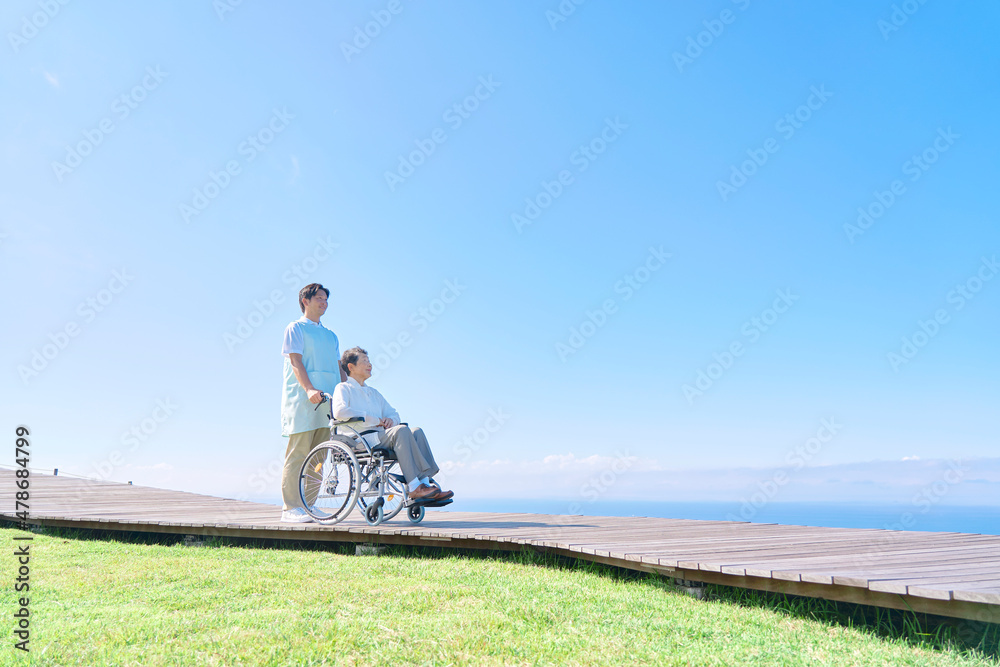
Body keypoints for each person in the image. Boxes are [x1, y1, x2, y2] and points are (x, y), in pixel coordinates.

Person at [331, 347, 453, 502]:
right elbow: (340, 412)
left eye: (369, 361)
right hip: (359, 440)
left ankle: (425, 484)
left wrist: (391, 420)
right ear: (351, 366)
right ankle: (414, 486)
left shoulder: (373, 393)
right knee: (401, 431)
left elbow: (393, 413)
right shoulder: (343, 388)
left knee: (416, 431)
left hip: (379, 436)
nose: (370, 365)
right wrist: (371, 419)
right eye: (364, 361)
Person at [279, 283, 346, 523]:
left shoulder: (331, 335)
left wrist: (345, 392)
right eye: (319, 298)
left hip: (328, 403)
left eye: (326, 299)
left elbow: (339, 368)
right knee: (298, 453)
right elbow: (296, 362)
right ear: (305, 301)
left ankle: (308, 505)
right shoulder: (295, 328)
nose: (324, 303)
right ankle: (290, 509)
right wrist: (308, 389)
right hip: (303, 400)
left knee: (320, 457)